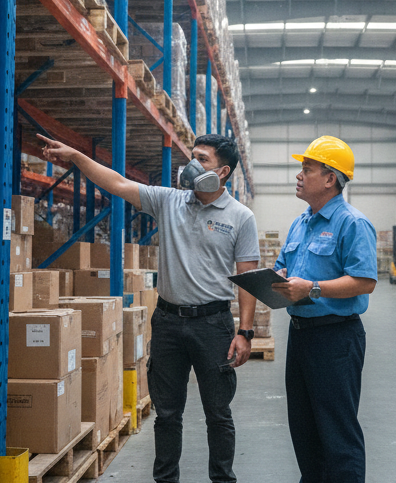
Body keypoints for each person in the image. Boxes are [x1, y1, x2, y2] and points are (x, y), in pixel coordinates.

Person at [37, 132, 259, 483]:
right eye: (193, 156)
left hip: (212, 324)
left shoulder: (240, 216)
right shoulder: (168, 200)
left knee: (218, 413)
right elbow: (117, 183)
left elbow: (249, 278)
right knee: (167, 414)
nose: (191, 165)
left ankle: (222, 479)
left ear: (224, 172)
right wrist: (78, 156)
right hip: (169, 321)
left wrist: (245, 332)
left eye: (202, 159)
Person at [271, 135, 377, 483]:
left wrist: (312, 288)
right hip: (300, 337)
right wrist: (279, 277)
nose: (299, 176)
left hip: (336, 338)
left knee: (337, 433)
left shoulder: (352, 223)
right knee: (304, 430)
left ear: (330, 178)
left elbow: (364, 281)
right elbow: (282, 264)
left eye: (307, 169)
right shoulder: (301, 223)